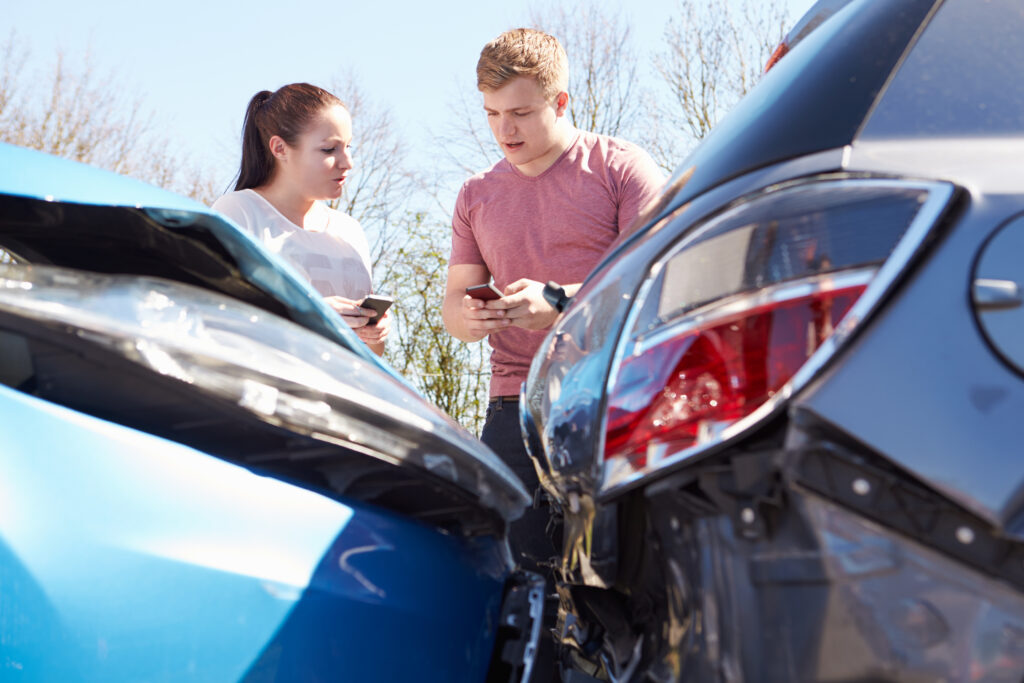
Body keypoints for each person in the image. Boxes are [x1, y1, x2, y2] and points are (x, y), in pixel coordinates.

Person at [442, 27, 665, 679]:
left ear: (561, 102)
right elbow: (454, 313)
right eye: (490, 114)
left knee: (626, 592)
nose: (503, 130)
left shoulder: (622, 168)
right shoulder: (474, 195)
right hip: (513, 409)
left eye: (518, 113)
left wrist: (564, 305)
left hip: (611, 403)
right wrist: (474, 313)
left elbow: (654, 288)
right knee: (519, 593)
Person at [213, 83, 389, 356]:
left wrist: (375, 334)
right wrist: (311, 315)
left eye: (348, 147)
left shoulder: (350, 230)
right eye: (329, 150)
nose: (347, 162)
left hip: (343, 394)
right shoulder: (239, 212)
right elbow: (217, 322)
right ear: (280, 148)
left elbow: (372, 354)